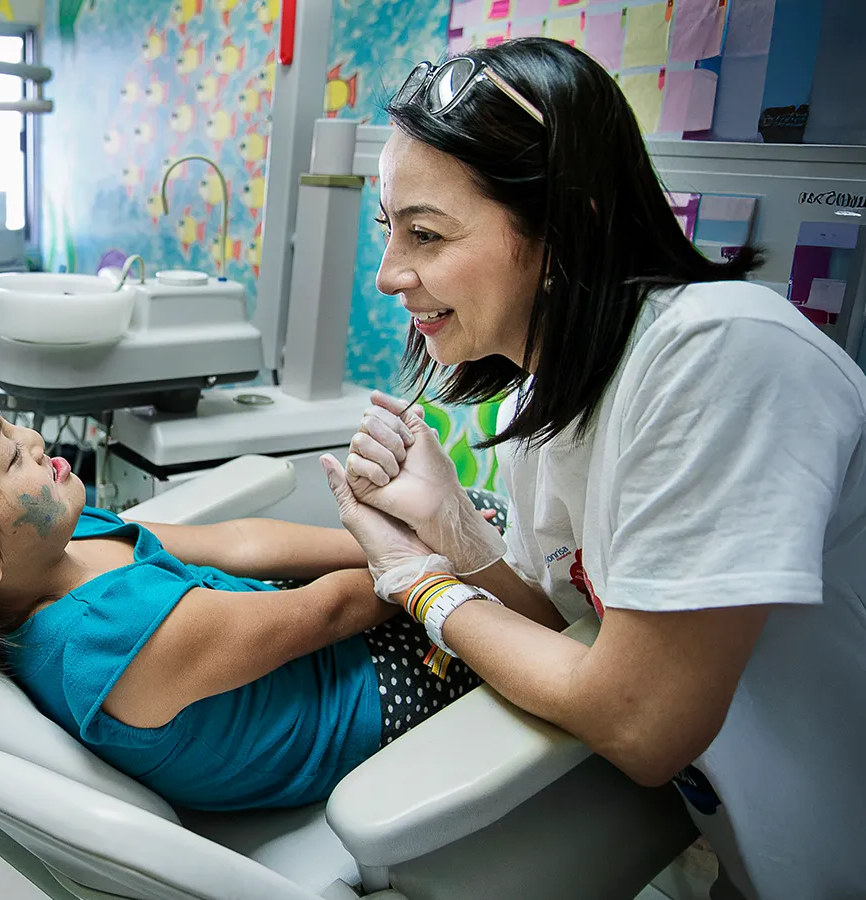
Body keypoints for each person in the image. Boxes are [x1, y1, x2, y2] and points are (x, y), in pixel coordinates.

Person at [320, 38, 866, 900]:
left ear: (566, 223)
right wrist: (453, 530)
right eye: (391, 230)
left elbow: (640, 719)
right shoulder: (554, 402)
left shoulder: (719, 354)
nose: (391, 275)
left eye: (426, 232)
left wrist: (419, 585)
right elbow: (570, 632)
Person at [0, 372, 482, 809]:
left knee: (479, 522)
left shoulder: (56, 539)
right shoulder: (105, 643)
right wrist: (432, 559)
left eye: (6, 424)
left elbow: (237, 545)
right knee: (510, 577)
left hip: (306, 632)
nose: (32, 438)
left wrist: (397, 542)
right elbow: (325, 611)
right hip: (357, 704)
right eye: (7, 455)